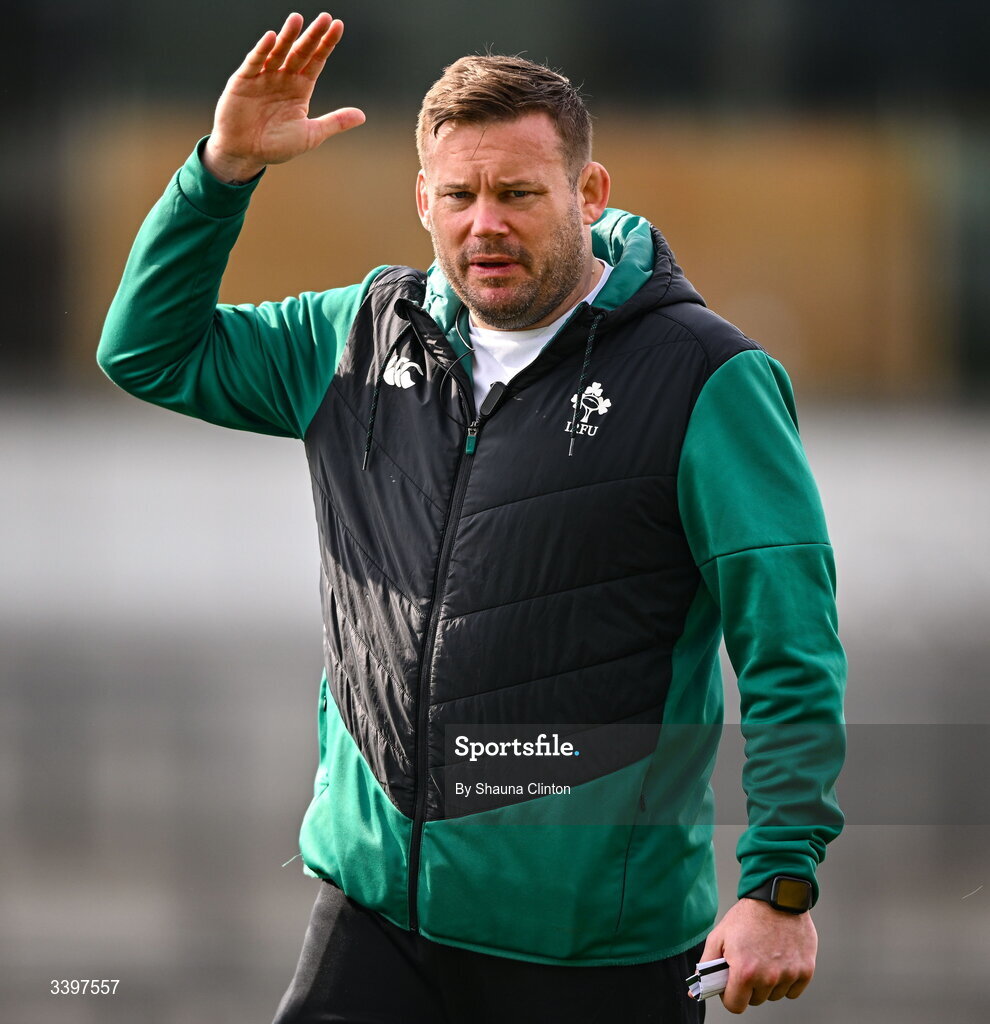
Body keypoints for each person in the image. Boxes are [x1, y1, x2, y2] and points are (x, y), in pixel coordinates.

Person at [98, 12, 846, 1023]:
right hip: (375, 910)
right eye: (458, 195)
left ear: (588, 194)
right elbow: (147, 349)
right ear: (424, 200)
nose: (484, 223)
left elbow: (790, 646)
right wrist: (221, 171)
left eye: (517, 193)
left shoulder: (707, 377)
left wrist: (780, 884)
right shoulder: (357, 338)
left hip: (591, 940)